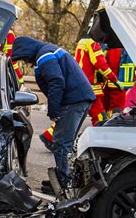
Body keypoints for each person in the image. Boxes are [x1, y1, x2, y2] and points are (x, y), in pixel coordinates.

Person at [12, 37, 96, 190]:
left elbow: (56, 81)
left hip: (73, 101)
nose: (25, 61)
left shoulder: (44, 56)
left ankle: (65, 183)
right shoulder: (48, 50)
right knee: (65, 143)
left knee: (61, 143)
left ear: (27, 51)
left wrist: (53, 110)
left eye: (23, 58)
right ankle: (66, 177)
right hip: (81, 98)